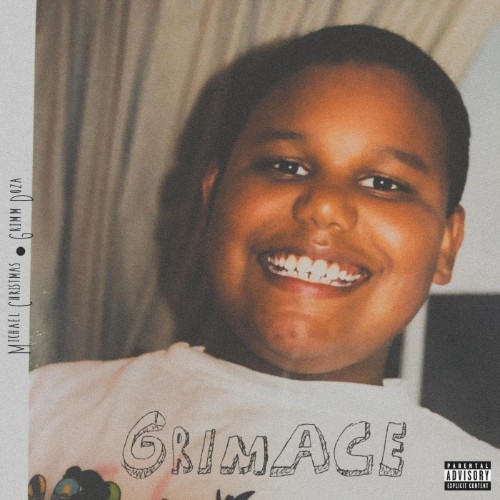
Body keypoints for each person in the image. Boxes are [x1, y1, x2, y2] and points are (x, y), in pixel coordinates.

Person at [29, 25, 498, 499]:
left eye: (383, 184)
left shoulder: (472, 482)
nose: (323, 207)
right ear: (212, 198)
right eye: (286, 166)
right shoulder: (40, 410)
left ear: (446, 244)